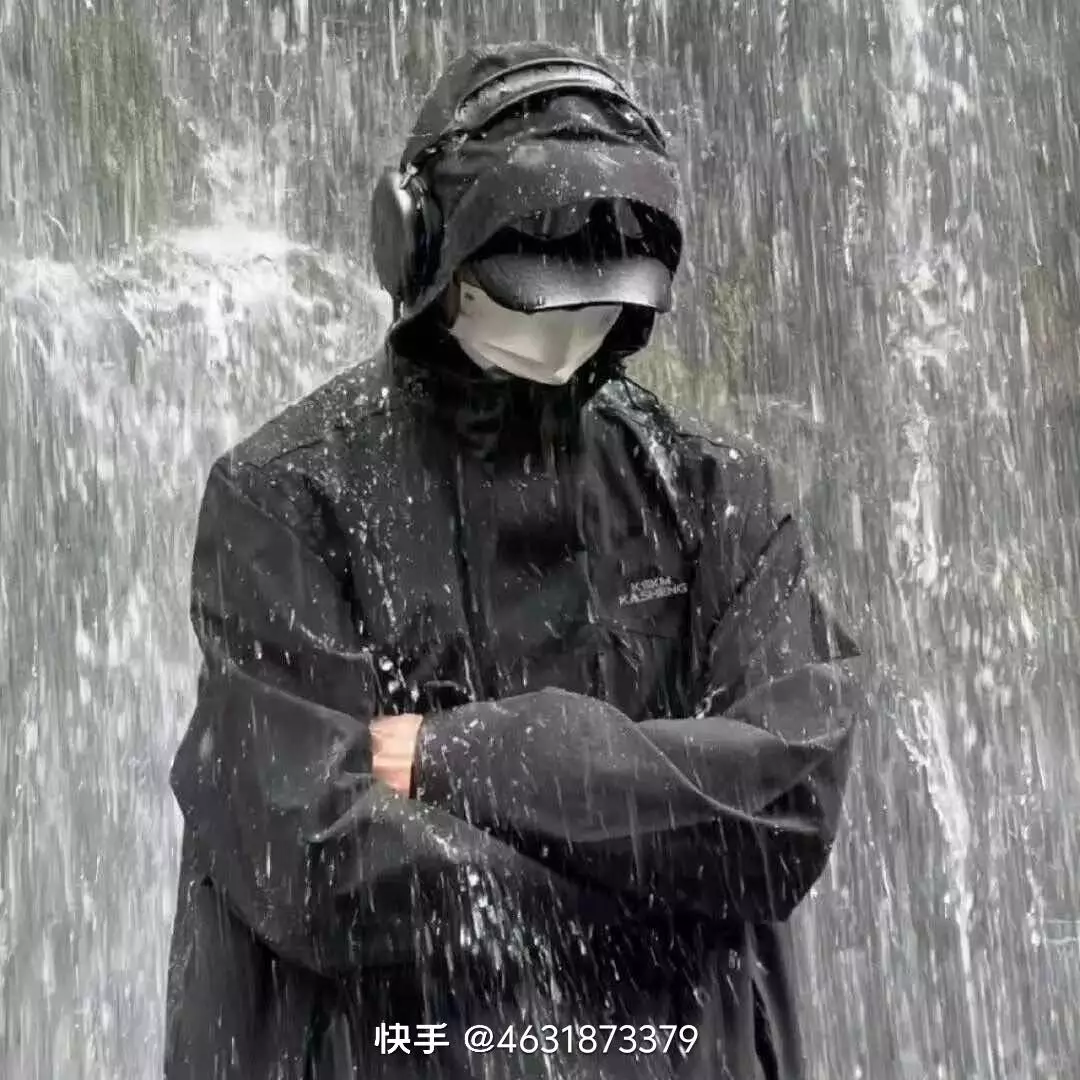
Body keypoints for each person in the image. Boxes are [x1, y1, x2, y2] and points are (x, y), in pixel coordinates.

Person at [164, 42, 869, 1080]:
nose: (562, 319)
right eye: (528, 265)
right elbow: (312, 859)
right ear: (418, 246)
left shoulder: (714, 496)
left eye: (597, 276)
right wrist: (673, 874)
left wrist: (458, 758)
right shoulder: (287, 501)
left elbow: (787, 804)